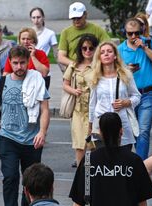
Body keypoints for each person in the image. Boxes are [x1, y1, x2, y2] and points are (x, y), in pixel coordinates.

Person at [0, 46, 50, 206]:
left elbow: (44, 109)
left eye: (22, 63)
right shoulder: (2, 82)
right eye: (15, 63)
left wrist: (42, 132)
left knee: (30, 181)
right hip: (7, 137)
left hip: (31, 138)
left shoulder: (36, 81)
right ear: (10, 62)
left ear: (28, 62)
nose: (19, 66)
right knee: (10, 176)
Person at [119, 18, 152, 159]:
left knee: (143, 131)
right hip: (128, 96)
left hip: (147, 93)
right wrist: (127, 70)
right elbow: (115, 71)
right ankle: (136, 162)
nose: (133, 37)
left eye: (136, 33)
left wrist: (144, 48)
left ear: (142, 31)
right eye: (130, 34)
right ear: (125, 33)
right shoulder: (120, 49)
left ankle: (142, 166)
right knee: (133, 132)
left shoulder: (150, 42)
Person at [89, 41, 141, 148]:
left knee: (123, 159)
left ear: (115, 56)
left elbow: (137, 96)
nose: (106, 54)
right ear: (99, 57)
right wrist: (90, 126)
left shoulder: (126, 75)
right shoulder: (95, 77)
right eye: (102, 52)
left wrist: (127, 102)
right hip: (101, 124)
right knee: (104, 160)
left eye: (109, 51)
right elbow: (92, 104)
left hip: (122, 124)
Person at [63, 34, 98, 165]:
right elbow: (65, 84)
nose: (87, 51)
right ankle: (80, 174)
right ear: (80, 49)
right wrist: (74, 91)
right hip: (78, 110)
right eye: (84, 48)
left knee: (95, 144)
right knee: (79, 144)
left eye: (91, 48)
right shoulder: (74, 65)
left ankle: (95, 175)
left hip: (94, 111)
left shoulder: (98, 66)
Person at [57, 2, 110, 70]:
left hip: (94, 67)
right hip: (74, 69)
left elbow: (108, 46)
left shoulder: (97, 29)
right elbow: (61, 57)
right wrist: (77, 65)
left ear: (85, 15)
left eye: (78, 17)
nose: (76, 20)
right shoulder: (65, 32)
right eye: (73, 18)